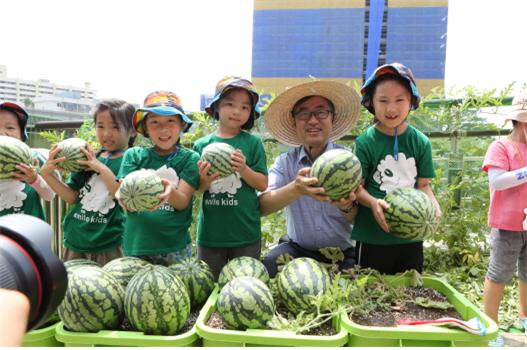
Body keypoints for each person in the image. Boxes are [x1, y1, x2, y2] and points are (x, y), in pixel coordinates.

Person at [259, 80, 361, 277]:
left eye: (321, 112)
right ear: (294, 121)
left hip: (342, 253)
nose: (313, 120)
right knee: (269, 266)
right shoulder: (285, 163)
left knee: (357, 280)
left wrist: (345, 205)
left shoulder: (350, 161)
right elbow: (262, 206)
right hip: (297, 249)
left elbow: (357, 218)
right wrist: (295, 189)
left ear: (332, 118)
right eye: (304, 113)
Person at [352, 62, 441, 275]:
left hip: (411, 236)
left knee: (409, 294)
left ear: (411, 101)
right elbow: (357, 187)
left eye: (399, 100)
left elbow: (424, 185)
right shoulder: (365, 142)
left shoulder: (420, 142)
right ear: (371, 103)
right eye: (383, 101)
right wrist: (373, 203)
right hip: (372, 235)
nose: (391, 108)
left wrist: (434, 206)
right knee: (370, 294)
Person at [41, 99, 136, 265]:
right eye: (100, 126)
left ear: (132, 131)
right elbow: (72, 197)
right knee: (75, 288)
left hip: (109, 244)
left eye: (115, 126)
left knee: (108, 289)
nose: (106, 133)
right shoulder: (86, 158)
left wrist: (100, 167)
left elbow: (120, 193)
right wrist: (48, 175)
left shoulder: (130, 160)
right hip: (76, 239)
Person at [193, 76, 268, 279]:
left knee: (244, 288)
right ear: (216, 106)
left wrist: (243, 169)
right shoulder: (201, 145)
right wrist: (204, 182)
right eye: (230, 104)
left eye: (245, 107)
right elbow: (196, 190)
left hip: (246, 234)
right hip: (211, 236)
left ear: (251, 113)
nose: (237, 111)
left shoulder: (252, 143)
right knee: (209, 288)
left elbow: (262, 184)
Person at [116, 91, 200, 265]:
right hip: (136, 246)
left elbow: (182, 201)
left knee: (176, 292)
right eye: (155, 122)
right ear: (145, 128)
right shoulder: (134, 155)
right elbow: (123, 190)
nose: (163, 129)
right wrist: (121, 195)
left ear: (181, 125)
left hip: (174, 248)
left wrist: (169, 190)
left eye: (171, 121)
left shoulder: (189, 158)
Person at [482, 93, 527, 347]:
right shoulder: (501, 147)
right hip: (506, 224)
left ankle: (524, 317)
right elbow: (497, 182)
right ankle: (490, 326)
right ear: (522, 122)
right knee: (499, 274)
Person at [0, 102, 55, 220]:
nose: (2, 133)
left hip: (29, 233)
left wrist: (34, 179)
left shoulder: (32, 162)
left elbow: (50, 196)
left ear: (22, 134)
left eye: (10, 127)